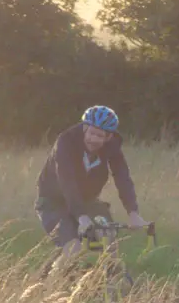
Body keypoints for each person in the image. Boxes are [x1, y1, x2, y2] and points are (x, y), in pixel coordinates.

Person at [35, 105, 148, 258]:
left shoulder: (112, 146)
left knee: (108, 241)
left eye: (100, 136)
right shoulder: (65, 142)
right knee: (72, 249)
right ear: (85, 128)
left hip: (87, 201)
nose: (93, 140)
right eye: (92, 133)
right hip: (53, 202)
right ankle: (52, 281)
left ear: (109, 137)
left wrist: (133, 213)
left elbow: (122, 177)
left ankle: (109, 279)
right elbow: (66, 180)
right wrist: (81, 216)